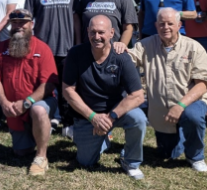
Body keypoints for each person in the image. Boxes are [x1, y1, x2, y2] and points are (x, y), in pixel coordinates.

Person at [123, 8, 207, 172]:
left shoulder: (193, 47)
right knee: (168, 154)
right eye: (162, 24)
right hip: (162, 111)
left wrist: (180, 105)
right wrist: (118, 48)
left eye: (170, 24)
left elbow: (203, 84)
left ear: (179, 25)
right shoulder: (146, 45)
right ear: (156, 25)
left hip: (190, 102)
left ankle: (196, 156)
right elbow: (127, 60)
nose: (165, 27)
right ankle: (178, 137)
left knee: (192, 116)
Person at [62, 15, 146, 179]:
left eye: (101, 32)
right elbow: (67, 90)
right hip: (88, 116)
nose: (97, 37)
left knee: (139, 119)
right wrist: (93, 117)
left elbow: (137, 96)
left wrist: (110, 117)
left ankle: (131, 161)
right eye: (93, 32)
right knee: (86, 162)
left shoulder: (121, 57)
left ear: (111, 33)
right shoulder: (76, 54)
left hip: (116, 112)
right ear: (87, 32)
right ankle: (103, 140)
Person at [0, 9, 58, 176]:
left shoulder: (42, 49)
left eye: (23, 22)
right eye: (15, 23)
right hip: (14, 110)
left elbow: (49, 84)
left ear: (31, 25)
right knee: (21, 152)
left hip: (37, 103)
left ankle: (41, 157)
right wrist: (4, 103)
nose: (19, 26)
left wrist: (27, 102)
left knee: (38, 110)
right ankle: (35, 135)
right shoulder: (1, 49)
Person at [24, 0, 77, 131]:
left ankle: (67, 122)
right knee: (42, 87)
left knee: (67, 88)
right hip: (43, 50)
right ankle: (41, 119)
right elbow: (27, 23)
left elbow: (77, 21)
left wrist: (77, 45)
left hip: (67, 49)